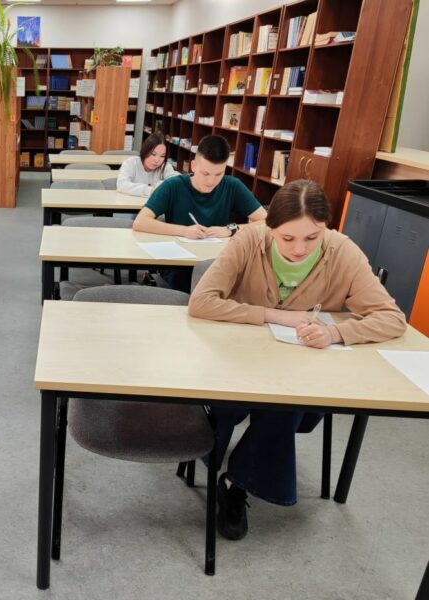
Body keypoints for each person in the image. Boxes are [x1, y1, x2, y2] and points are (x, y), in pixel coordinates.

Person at [187, 179, 407, 541]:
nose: (300, 249)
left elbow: (392, 318)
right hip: (236, 364)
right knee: (233, 404)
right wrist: (275, 315)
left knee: (285, 406)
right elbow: (201, 302)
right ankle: (224, 462)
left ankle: (236, 484)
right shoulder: (248, 240)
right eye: (287, 238)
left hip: (300, 374)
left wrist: (336, 333)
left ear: (326, 228)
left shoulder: (343, 251)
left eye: (312, 237)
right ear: (270, 227)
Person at [132, 134, 267, 291]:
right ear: (193, 166)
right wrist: (184, 231)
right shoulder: (173, 186)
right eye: (205, 173)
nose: (211, 181)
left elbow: (267, 222)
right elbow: (140, 222)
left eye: (219, 174)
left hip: (218, 263)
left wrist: (230, 229)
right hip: (180, 267)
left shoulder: (232, 186)